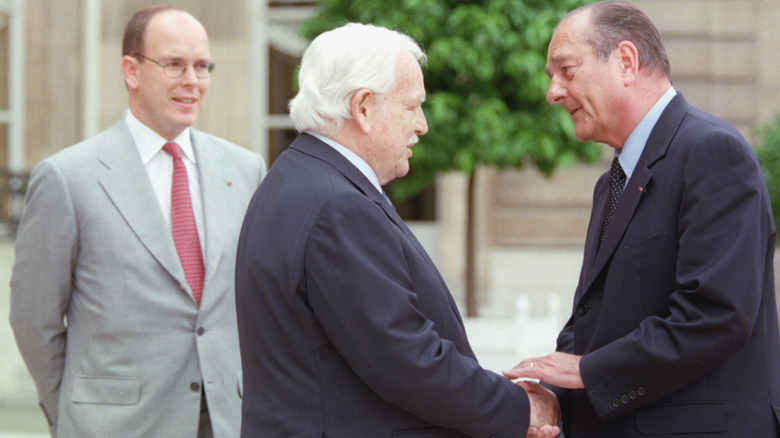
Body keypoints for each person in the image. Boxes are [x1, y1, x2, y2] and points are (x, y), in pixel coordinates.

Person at [235, 22, 559, 438]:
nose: (422, 125)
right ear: (363, 108)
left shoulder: (302, 179)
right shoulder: (337, 205)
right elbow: (406, 360)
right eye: (411, 106)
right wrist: (519, 409)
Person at [503, 1, 780, 436]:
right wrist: (554, 397)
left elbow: (716, 314)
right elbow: (590, 322)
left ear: (626, 61)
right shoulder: (611, 184)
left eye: (566, 70)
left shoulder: (711, 152)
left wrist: (589, 372)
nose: (552, 92)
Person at [10, 6, 266, 437]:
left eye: (202, 66)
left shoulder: (245, 170)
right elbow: (34, 321)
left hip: (227, 422)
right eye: (174, 65)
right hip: (115, 426)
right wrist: (76, 415)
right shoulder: (68, 178)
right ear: (131, 71)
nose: (193, 81)